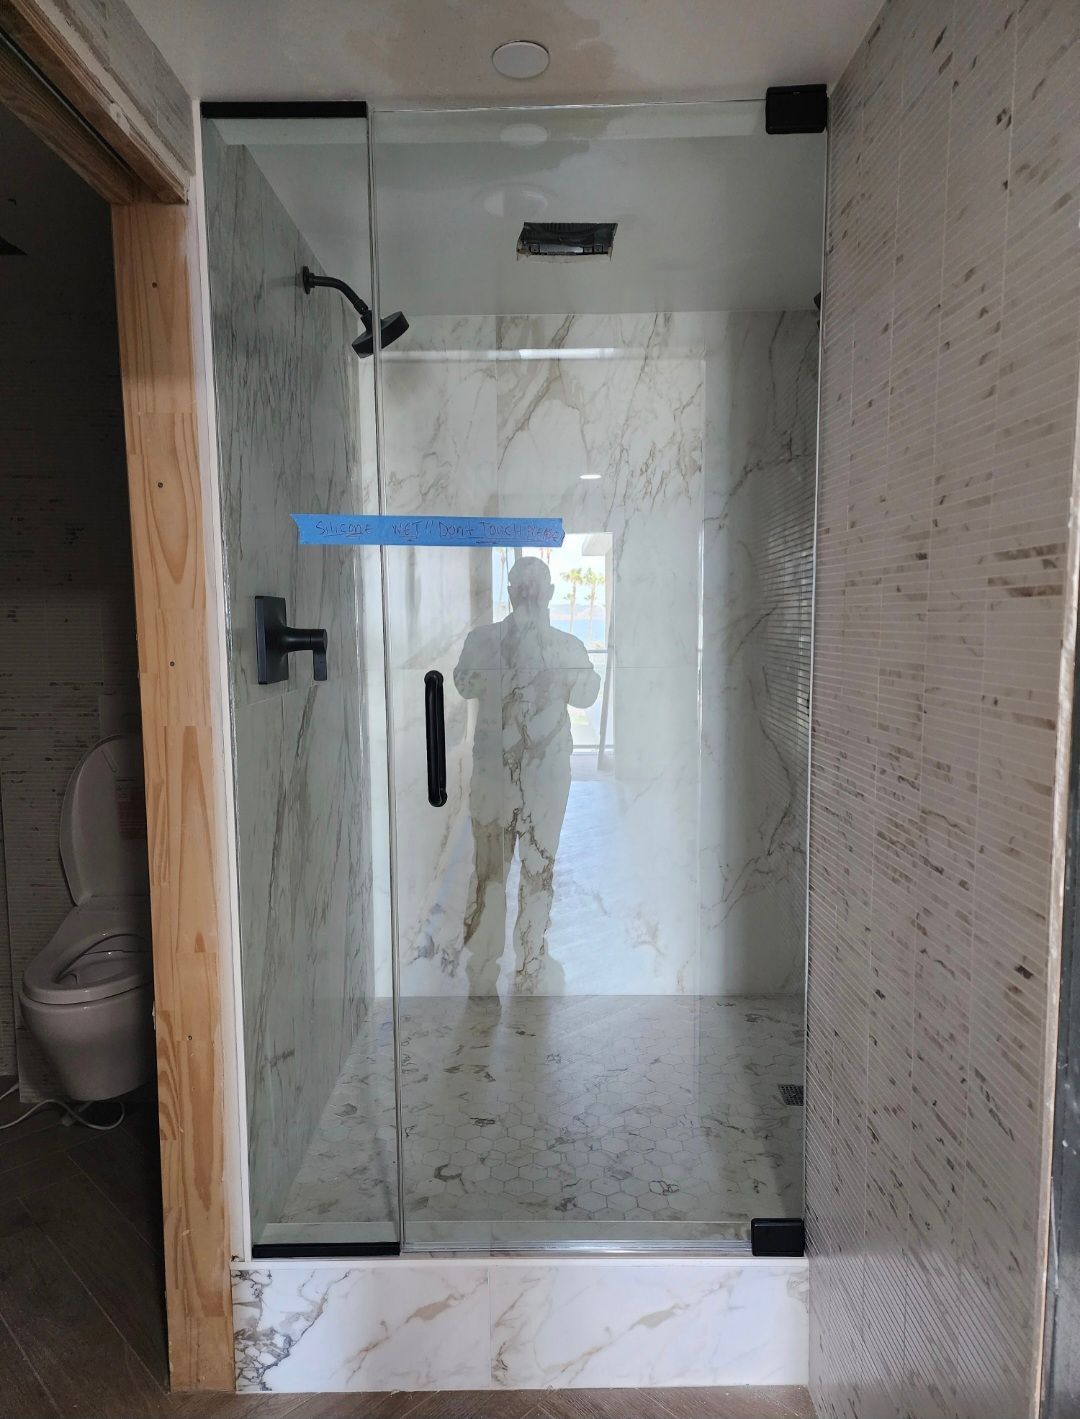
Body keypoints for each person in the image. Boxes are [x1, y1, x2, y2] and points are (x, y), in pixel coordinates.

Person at [453, 556, 601, 994]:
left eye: (536, 587)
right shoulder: (487, 640)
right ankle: (489, 965)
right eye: (524, 586)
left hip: (542, 775)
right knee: (492, 871)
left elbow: (588, 694)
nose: (530, 595)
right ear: (513, 591)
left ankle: (528, 960)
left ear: (548, 593)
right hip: (499, 775)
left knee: (536, 866)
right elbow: (463, 683)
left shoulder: (562, 646)